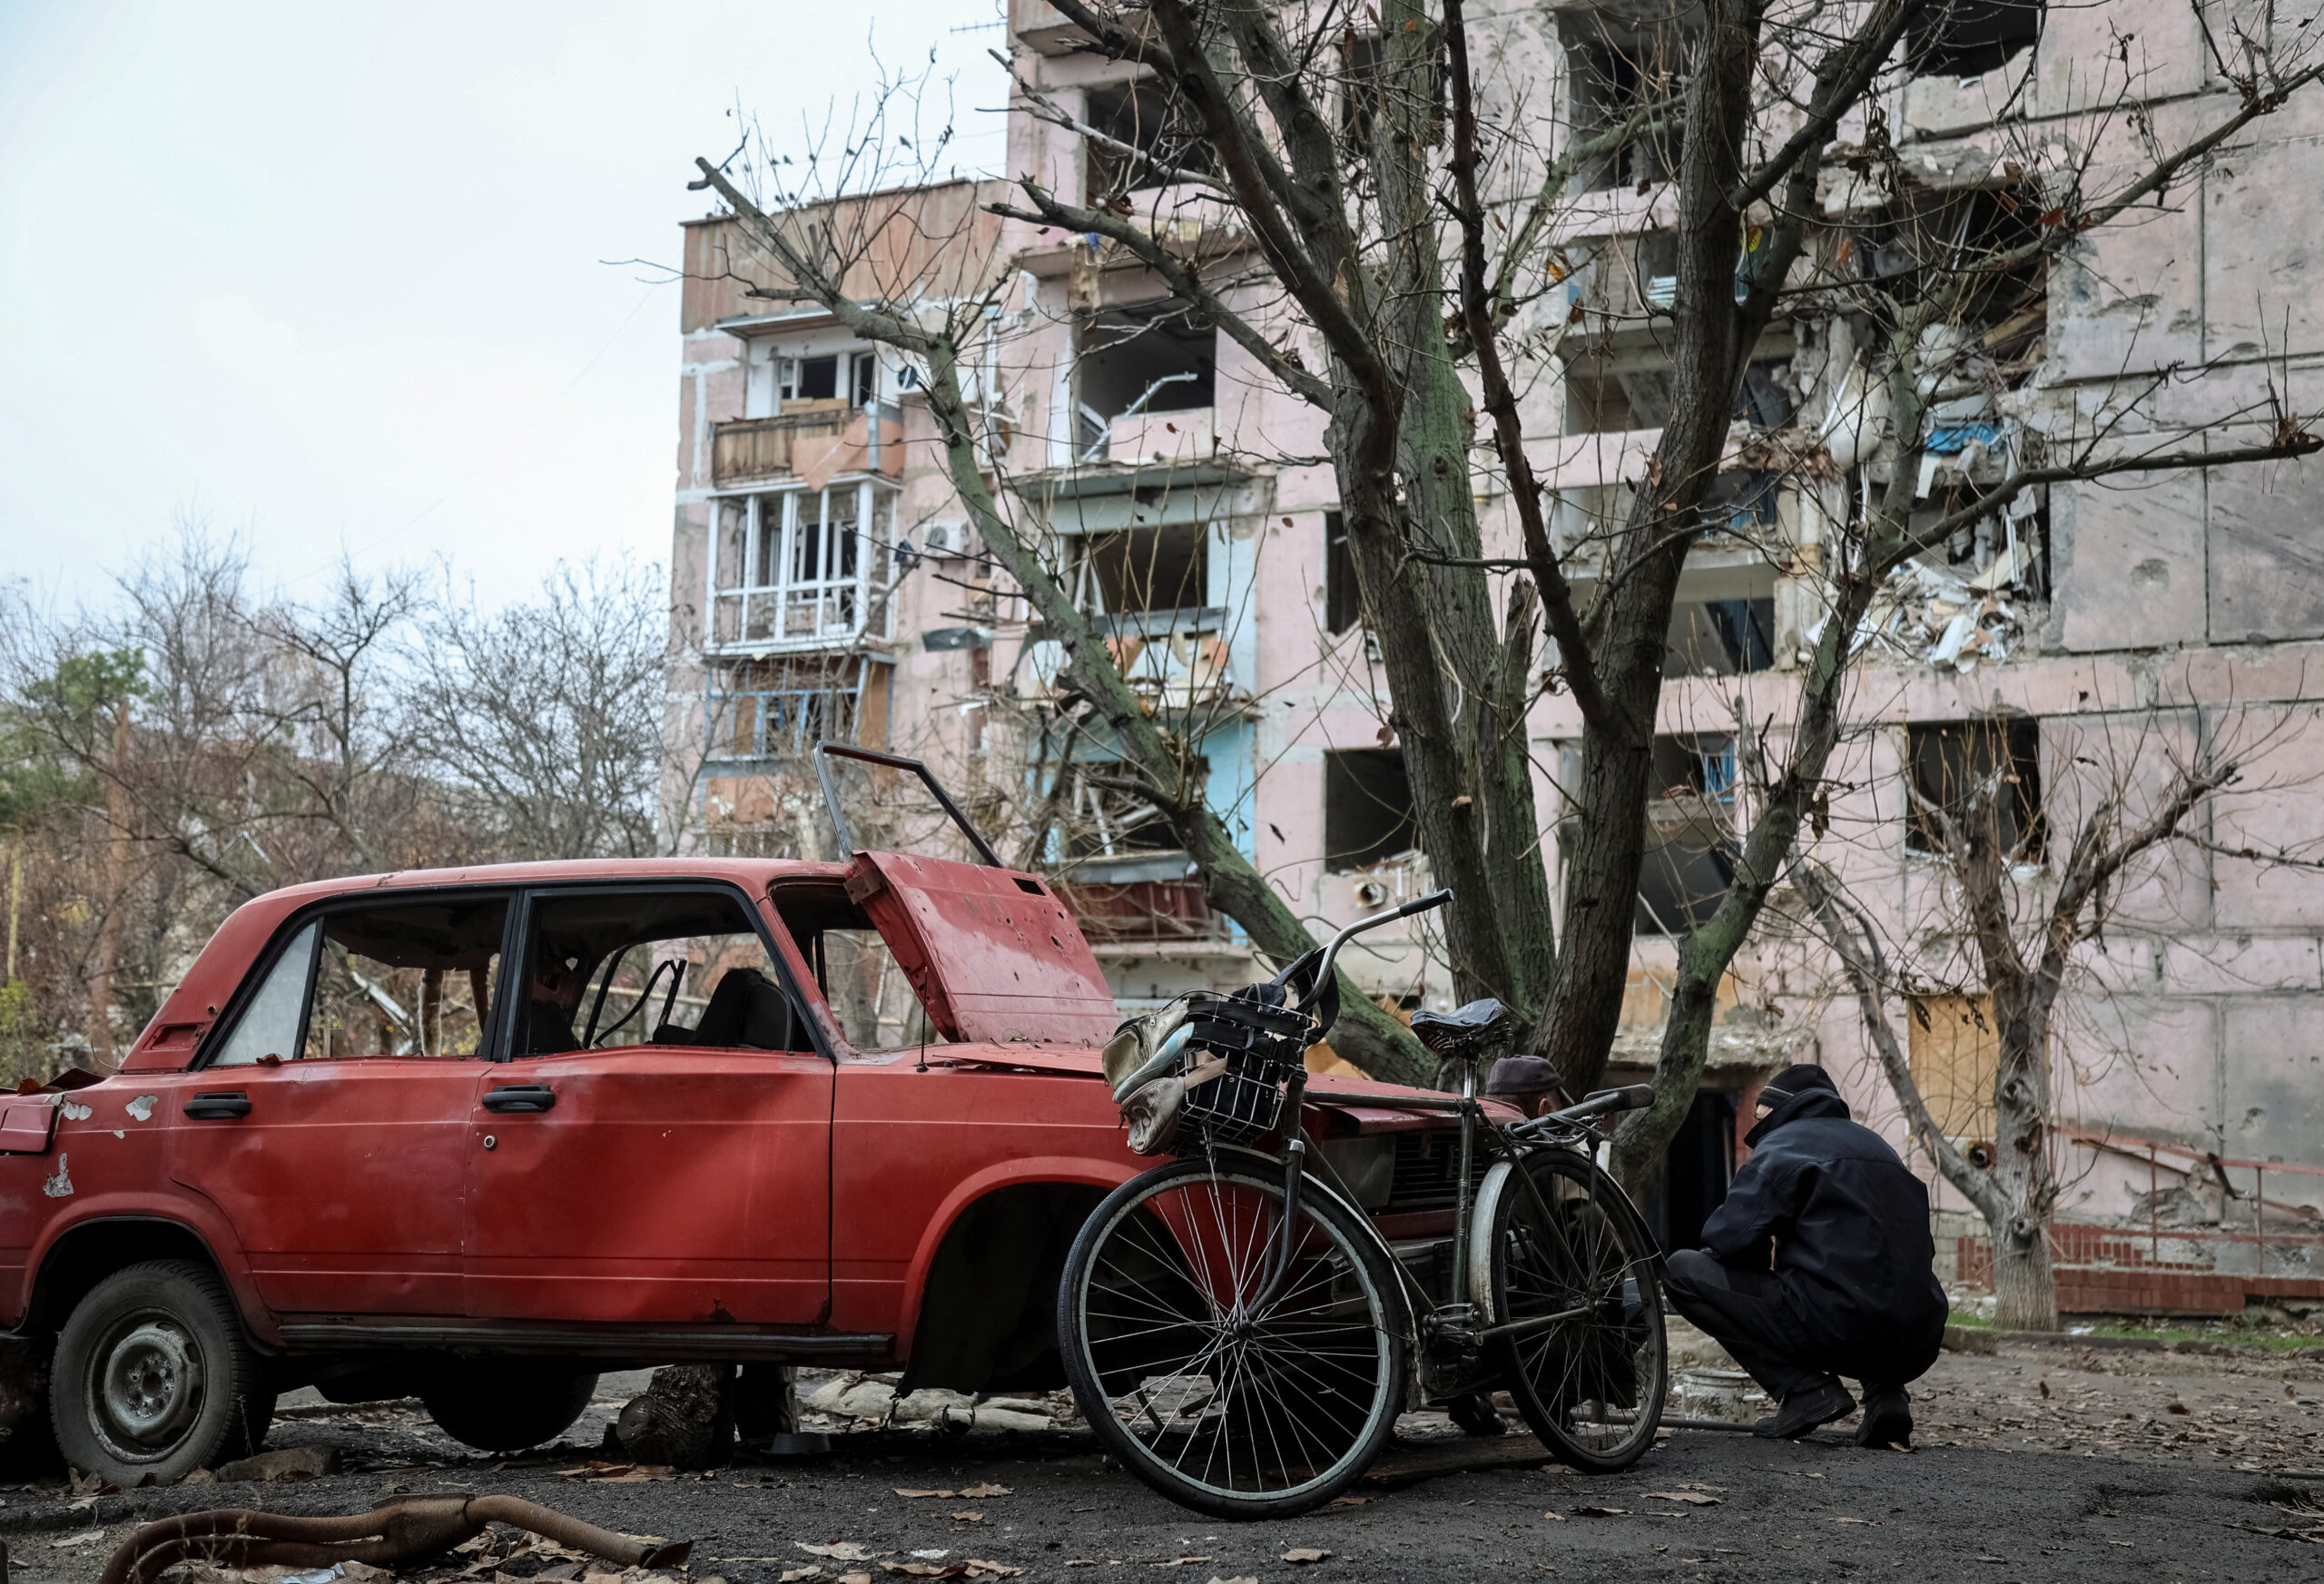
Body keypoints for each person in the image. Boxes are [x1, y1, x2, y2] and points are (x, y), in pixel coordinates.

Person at [1663, 1064, 1947, 1447]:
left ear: (1781, 1111)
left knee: (1683, 1271)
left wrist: (1752, 1281)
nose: (1756, 1128)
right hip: (1920, 1335)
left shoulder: (1783, 1144)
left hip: (1835, 1326)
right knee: (1875, 1281)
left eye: (1760, 1117)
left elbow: (1729, 1239)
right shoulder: (1882, 1149)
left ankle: (1805, 1391)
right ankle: (1888, 1399)